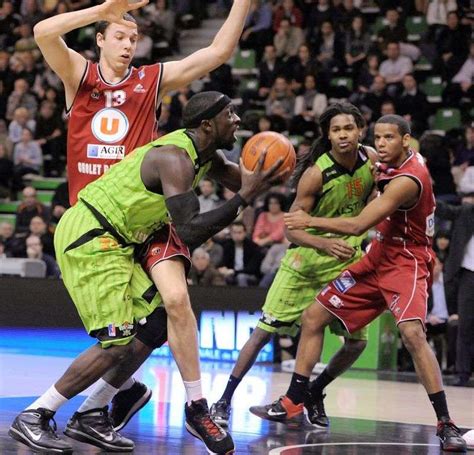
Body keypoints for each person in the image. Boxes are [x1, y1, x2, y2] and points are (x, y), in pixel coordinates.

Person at [9, 92, 286, 454]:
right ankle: (36, 413)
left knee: (156, 323)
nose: (237, 120)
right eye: (230, 114)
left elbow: (248, 181)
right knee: (117, 342)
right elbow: (189, 230)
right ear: (206, 124)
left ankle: (92, 413)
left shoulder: (208, 157)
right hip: (92, 236)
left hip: (123, 240)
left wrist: (286, 168)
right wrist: (244, 199)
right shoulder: (175, 159)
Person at [31, 0, 252, 439]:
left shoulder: (151, 81)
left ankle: (193, 404)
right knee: (118, 335)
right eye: (119, 36)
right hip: (99, 222)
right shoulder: (79, 76)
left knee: (173, 304)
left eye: (134, 38)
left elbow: (217, 53)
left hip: (146, 216)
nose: (129, 44)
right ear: (100, 39)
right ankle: (115, 396)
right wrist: (104, 9)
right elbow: (42, 32)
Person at [257, 115, 466, 452]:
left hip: (406, 261)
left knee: (413, 335)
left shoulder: (408, 179)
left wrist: (308, 220)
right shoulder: (379, 158)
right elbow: (363, 153)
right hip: (377, 255)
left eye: (389, 138)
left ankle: (445, 422)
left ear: (406, 141)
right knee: (313, 316)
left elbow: (357, 226)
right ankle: (299, 395)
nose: (381, 144)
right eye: (377, 137)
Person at [211, 103, 376, 428]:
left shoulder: (371, 159)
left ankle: (313, 392)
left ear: (360, 130)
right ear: (327, 136)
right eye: (336, 130)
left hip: (347, 263)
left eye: (348, 128)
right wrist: (325, 242)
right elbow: (291, 229)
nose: (343, 135)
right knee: (261, 334)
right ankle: (224, 400)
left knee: (357, 342)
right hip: (306, 263)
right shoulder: (316, 173)